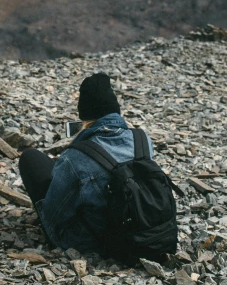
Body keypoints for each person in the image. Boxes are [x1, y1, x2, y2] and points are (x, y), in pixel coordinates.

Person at [18, 72, 154, 254]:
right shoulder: (142, 140)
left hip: (94, 244)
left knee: (31, 158)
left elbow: (53, 215)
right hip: (145, 232)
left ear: (85, 117)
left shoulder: (75, 157)